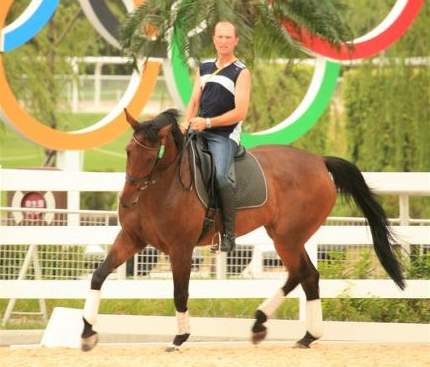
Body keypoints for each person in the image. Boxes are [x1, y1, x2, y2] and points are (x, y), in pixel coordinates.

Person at [182, 21, 251, 252]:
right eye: (219, 37)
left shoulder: (241, 72)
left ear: (236, 41)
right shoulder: (204, 67)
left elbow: (240, 112)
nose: (223, 41)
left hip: (224, 135)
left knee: (222, 177)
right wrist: (185, 122)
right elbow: (194, 100)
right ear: (213, 39)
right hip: (198, 129)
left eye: (228, 37)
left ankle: (228, 235)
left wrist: (208, 122)